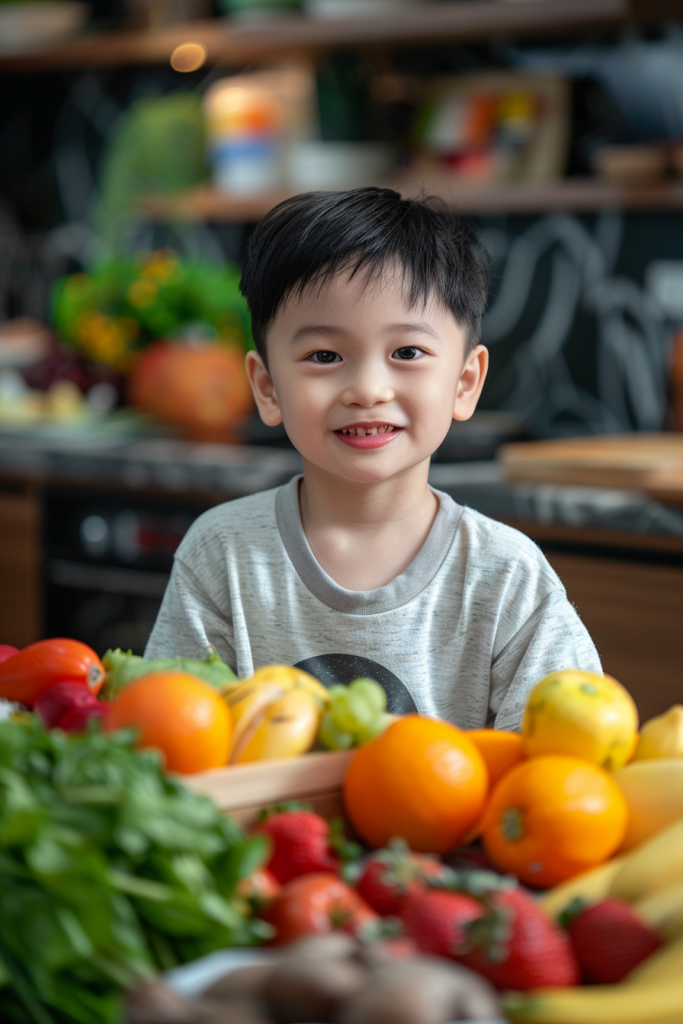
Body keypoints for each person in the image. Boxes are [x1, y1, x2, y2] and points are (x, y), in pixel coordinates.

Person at [145, 187, 600, 730]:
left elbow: (562, 758)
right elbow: (170, 736)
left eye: (406, 352)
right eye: (324, 355)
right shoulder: (222, 554)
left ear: (465, 382)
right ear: (267, 388)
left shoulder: (507, 577)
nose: (367, 389)